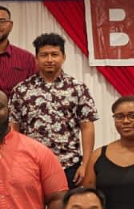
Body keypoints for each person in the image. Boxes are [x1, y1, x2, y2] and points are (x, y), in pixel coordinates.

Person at [9, 33, 99, 185]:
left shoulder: (77, 88)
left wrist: (86, 164)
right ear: (36, 59)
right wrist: (13, 161)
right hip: (30, 164)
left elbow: (87, 126)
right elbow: (13, 127)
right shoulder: (21, 90)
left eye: (54, 54)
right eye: (44, 55)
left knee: (66, 201)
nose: (49, 60)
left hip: (68, 164)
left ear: (64, 57)